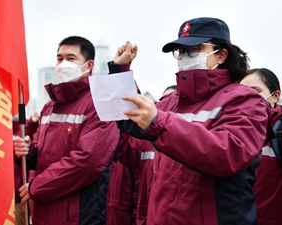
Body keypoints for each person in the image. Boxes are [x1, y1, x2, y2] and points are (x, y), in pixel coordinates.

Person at [108, 17, 269, 224]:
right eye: (181, 51)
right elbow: (130, 118)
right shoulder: (170, 102)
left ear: (221, 55)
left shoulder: (245, 100)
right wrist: (120, 71)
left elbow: (229, 154)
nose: (184, 56)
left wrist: (160, 122)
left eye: (193, 49)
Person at [13, 36, 119, 225]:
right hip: (44, 211)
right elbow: (44, 152)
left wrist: (37, 187)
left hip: (78, 214)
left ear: (89, 65)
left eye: (71, 59)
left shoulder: (99, 104)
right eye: (59, 59)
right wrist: (28, 152)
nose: (63, 64)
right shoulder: (50, 106)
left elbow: (88, 161)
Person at [240, 68, 282, 225]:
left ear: (275, 95)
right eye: (241, 92)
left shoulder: (278, 133)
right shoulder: (231, 134)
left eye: (255, 91)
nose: (246, 97)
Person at [13, 113, 40, 225]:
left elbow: (27, 131)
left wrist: (33, 122)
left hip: (20, 194)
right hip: (4, 193)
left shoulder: (23, 131)